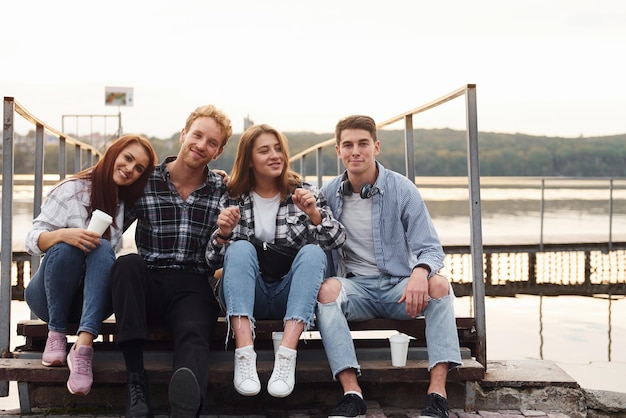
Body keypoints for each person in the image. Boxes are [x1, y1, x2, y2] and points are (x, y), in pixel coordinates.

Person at [316, 115, 462, 418]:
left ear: (376, 147)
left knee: (439, 285)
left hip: (399, 288)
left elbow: (431, 249)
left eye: (363, 144)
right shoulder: (328, 194)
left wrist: (420, 272)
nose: (355, 151)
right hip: (356, 289)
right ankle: (352, 394)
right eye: (348, 145)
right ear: (338, 151)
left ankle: (437, 395)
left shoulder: (402, 189)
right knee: (327, 292)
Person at [109, 104, 233, 418]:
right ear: (184, 134)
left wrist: (221, 236)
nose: (201, 145)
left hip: (193, 284)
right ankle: (136, 385)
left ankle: (186, 404)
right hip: (147, 279)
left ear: (217, 152)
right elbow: (110, 230)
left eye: (211, 143)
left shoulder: (222, 190)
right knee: (126, 264)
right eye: (197, 135)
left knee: (193, 330)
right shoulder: (145, 181)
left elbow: (214, 257)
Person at [205, 124, 345, 399]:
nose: (275, 155)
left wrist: (315, 215)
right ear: (249, 160)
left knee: (314, 252)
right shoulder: (231, 195)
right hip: (247, 295)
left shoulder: (304, 191)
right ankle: (244, 356)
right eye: (264, 151)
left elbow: (336, 241)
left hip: (288, 295)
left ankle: (287, 355)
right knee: (241, 248)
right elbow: (212, 260)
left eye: (278, 149)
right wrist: (222, 234)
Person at [24, 134, 157, 396]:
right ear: (113, 154)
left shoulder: (125, 201)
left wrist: (213, 173)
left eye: (139, 168)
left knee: (104, 247)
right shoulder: (71, 188)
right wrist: (63, 234)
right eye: (127, 159)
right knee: (66, 247)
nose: (130, 169)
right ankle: (56, 334)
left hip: (91, 304)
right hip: (49, 298)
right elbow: (31, 240)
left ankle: (83, 348)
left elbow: (171, 178)